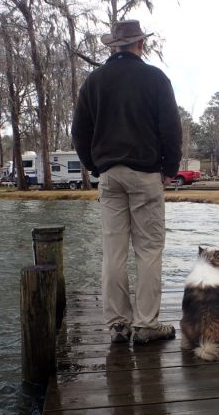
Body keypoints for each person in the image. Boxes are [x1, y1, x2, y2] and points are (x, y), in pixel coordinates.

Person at [71, 20, 182, 344]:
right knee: (148, 251)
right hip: (146, 174)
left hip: (110, 176)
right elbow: (170, 129)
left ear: (113, 47)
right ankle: (147, 324)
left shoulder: (94, 82)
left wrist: (95, 166)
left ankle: (118, 324)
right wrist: (169, 169)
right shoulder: (155, 78)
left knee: (113, 252)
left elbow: (80, 133)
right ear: (140, 45)